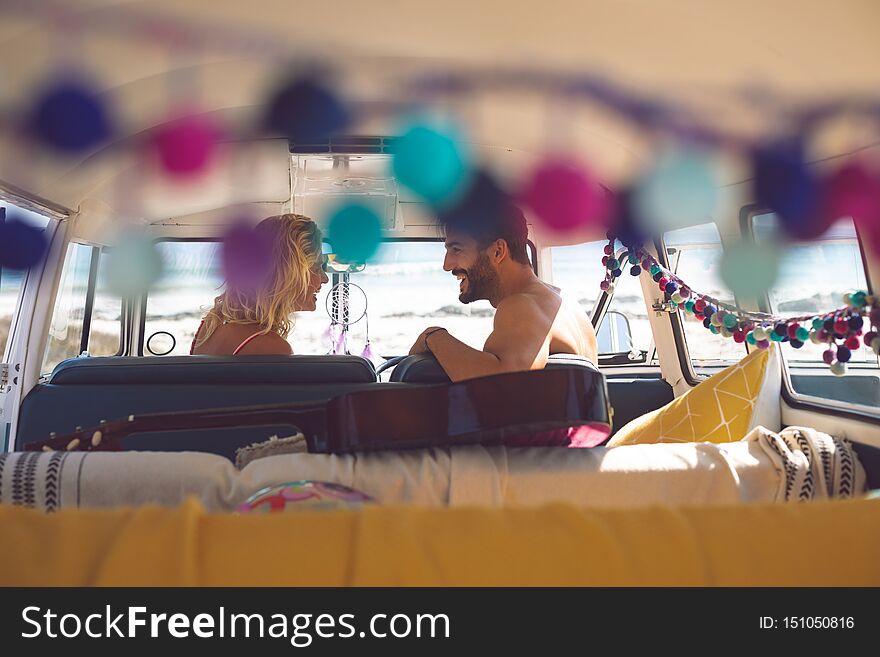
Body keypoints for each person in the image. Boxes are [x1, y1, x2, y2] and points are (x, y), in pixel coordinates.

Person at [409, 181, 598, 381]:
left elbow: (500, 386)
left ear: (498, 251)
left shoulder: (521, 306)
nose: (447, 265)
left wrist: (434, 337)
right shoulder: (568, 305)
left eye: (456, 249)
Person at [191, 214, 328, 356]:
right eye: (317, 268)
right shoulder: (271, 347)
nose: (325, 279)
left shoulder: (212, 323)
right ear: (288, 276)